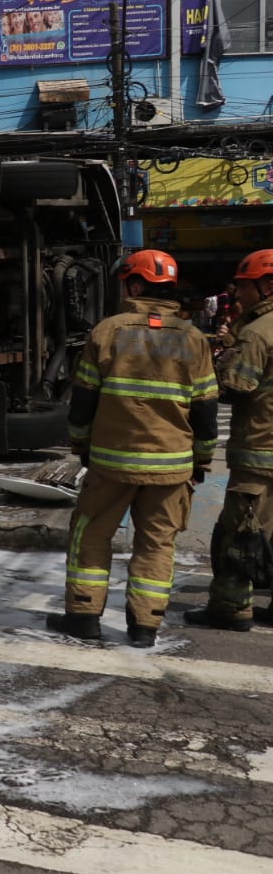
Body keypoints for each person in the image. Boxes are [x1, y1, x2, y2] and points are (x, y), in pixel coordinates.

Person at [52, 249, 218, 648]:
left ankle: (84, 617)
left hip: (112, 463)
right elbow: (206, 413)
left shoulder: (107, 332)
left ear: (137, 285)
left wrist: (82, 445)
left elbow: (82, 404)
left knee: (91, 534)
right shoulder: (194, 339)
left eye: (128, 283)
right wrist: (202, 460)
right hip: (173, 467)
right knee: (157, 543)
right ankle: (145, 627)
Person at [186, 251, 273, 631]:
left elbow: (236, 386)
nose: (237, 291)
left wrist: (219, 360)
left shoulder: (258, 332)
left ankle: (230, 609)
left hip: (259, 450)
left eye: (244, 285)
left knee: (239, 534)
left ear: (267, 285)